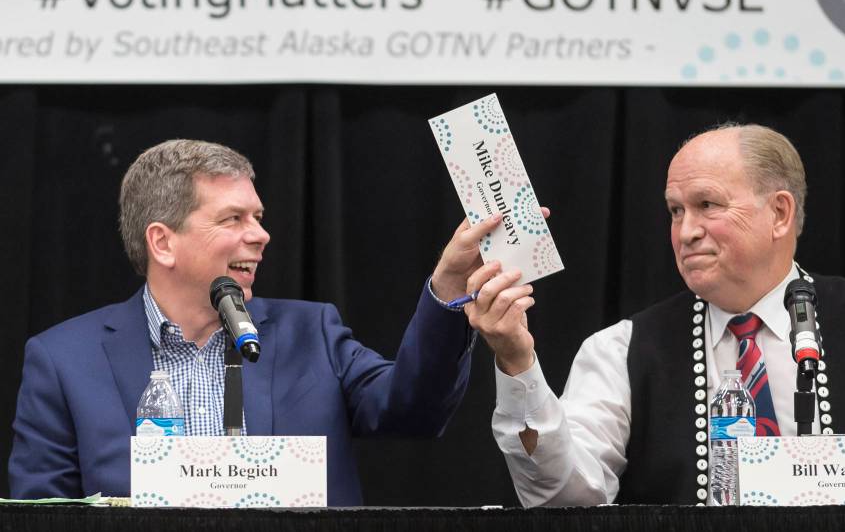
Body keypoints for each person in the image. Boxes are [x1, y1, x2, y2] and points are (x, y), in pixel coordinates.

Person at [466, 123, 845, 506]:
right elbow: (564, 496)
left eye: (708, 205)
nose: (685, 231)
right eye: (675, 211)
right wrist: (518, 364)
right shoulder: (623, 348)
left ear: (779, 213)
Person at [8, 139, 501, 505]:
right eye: (233, 219)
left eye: (259, 216)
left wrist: (449, 287)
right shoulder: (63, 360)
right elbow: (41, 513)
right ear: (162, 243)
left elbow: (415, 409)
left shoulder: (313, 334)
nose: (261, 235)